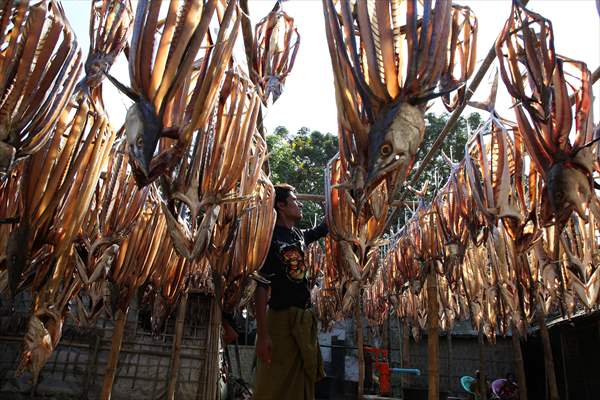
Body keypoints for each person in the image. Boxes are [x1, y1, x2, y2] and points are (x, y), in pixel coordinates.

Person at [253, 184, 328, 400]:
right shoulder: (270, 239)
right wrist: (262, 334)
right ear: (281, 205)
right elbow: (261, 286)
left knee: (301, 383)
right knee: (273, 384)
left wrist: (335, 199)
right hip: (280, 323)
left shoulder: (299, 236)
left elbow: (326, 227)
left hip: (303, 320)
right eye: (295, 200)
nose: (300, 203)